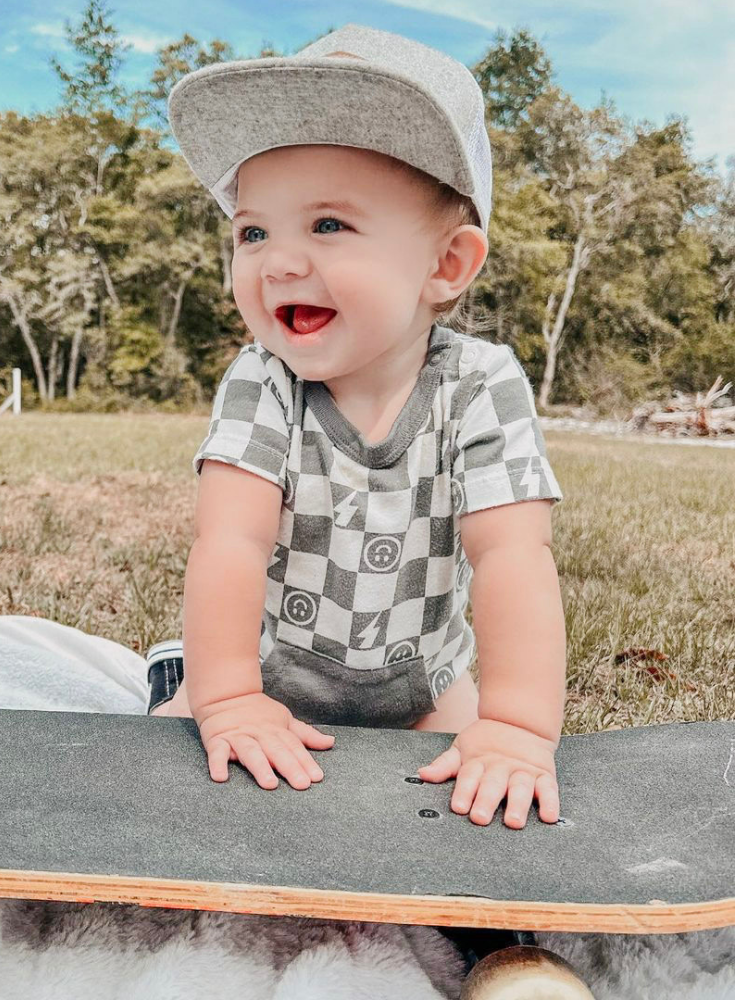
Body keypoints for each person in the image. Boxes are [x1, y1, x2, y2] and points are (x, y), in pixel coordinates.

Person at [149, 23, 566, 832]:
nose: (277, 262)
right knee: (166, 786)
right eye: (253, 231)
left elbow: (514, 555)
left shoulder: (479, 384)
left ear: (447, 264)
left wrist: (517, 727)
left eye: (328, 225)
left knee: (479, 811)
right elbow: (229, 544)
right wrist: (227, 698)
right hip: (266, 674)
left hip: (422, 689)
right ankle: (184, 675)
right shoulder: (263, 380)